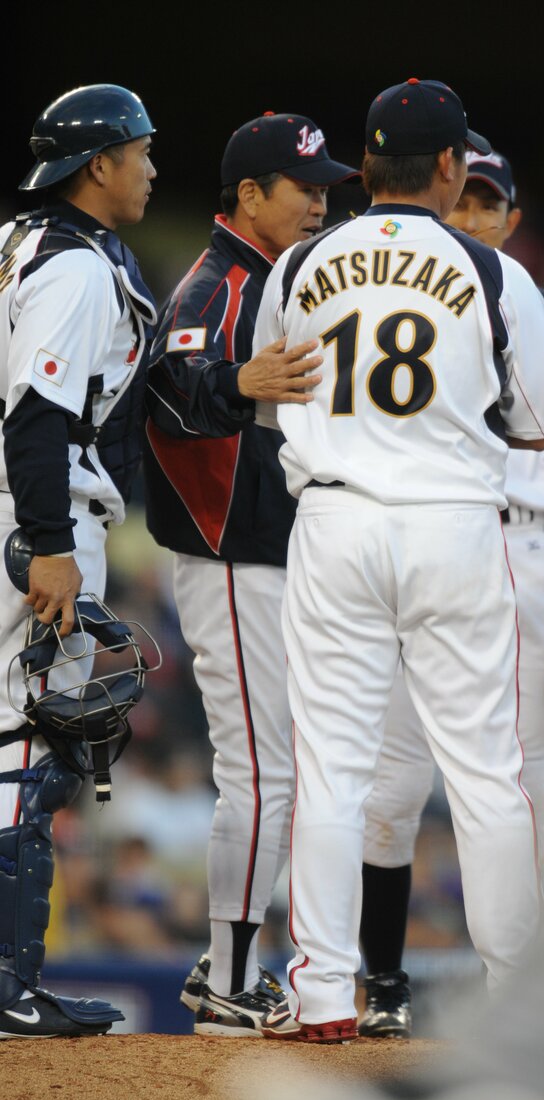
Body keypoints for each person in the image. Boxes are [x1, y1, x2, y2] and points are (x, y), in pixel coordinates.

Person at [248, 76, 544, 1044]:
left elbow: (275, 400)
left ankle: (321, 997)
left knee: (333, 770)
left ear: (367, 163)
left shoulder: (301, 262)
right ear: (448, 166)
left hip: (337, 521)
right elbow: (539, 423)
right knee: (488, 776)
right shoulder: (491, 271)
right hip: (455, 527)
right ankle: (522, 1006)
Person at [355, 146, 544, 1039]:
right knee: (391, 786)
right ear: (437, 196)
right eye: (459, 198)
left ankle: (532, 996)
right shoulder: (385, 290)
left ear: (510, 219)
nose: (470, 215)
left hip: (512, 549)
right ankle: (382, 982)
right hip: (411, 539)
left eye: (487, 203)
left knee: (524, 785)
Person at [143, 112, 357, 1035]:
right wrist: (237, 385)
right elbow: (164, 394)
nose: (318, 199)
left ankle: (230, 964)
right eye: (300, 184)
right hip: (226, 551)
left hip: (268, 551)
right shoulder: (216, 282)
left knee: (281, 771)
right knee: (261, 771)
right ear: (247, 195)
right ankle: (229, 974)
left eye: (323, 185)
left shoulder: (272, 277)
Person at [0, 83, 159, 1037]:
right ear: (98, 164)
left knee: (18, 744)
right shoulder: (73, 265)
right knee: (28, 751)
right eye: (141, 150)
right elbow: (37, 413)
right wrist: (53, 546)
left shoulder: (20, 241)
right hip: (33, 517)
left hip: (17, 508)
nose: (150, 166)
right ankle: (10, 984)